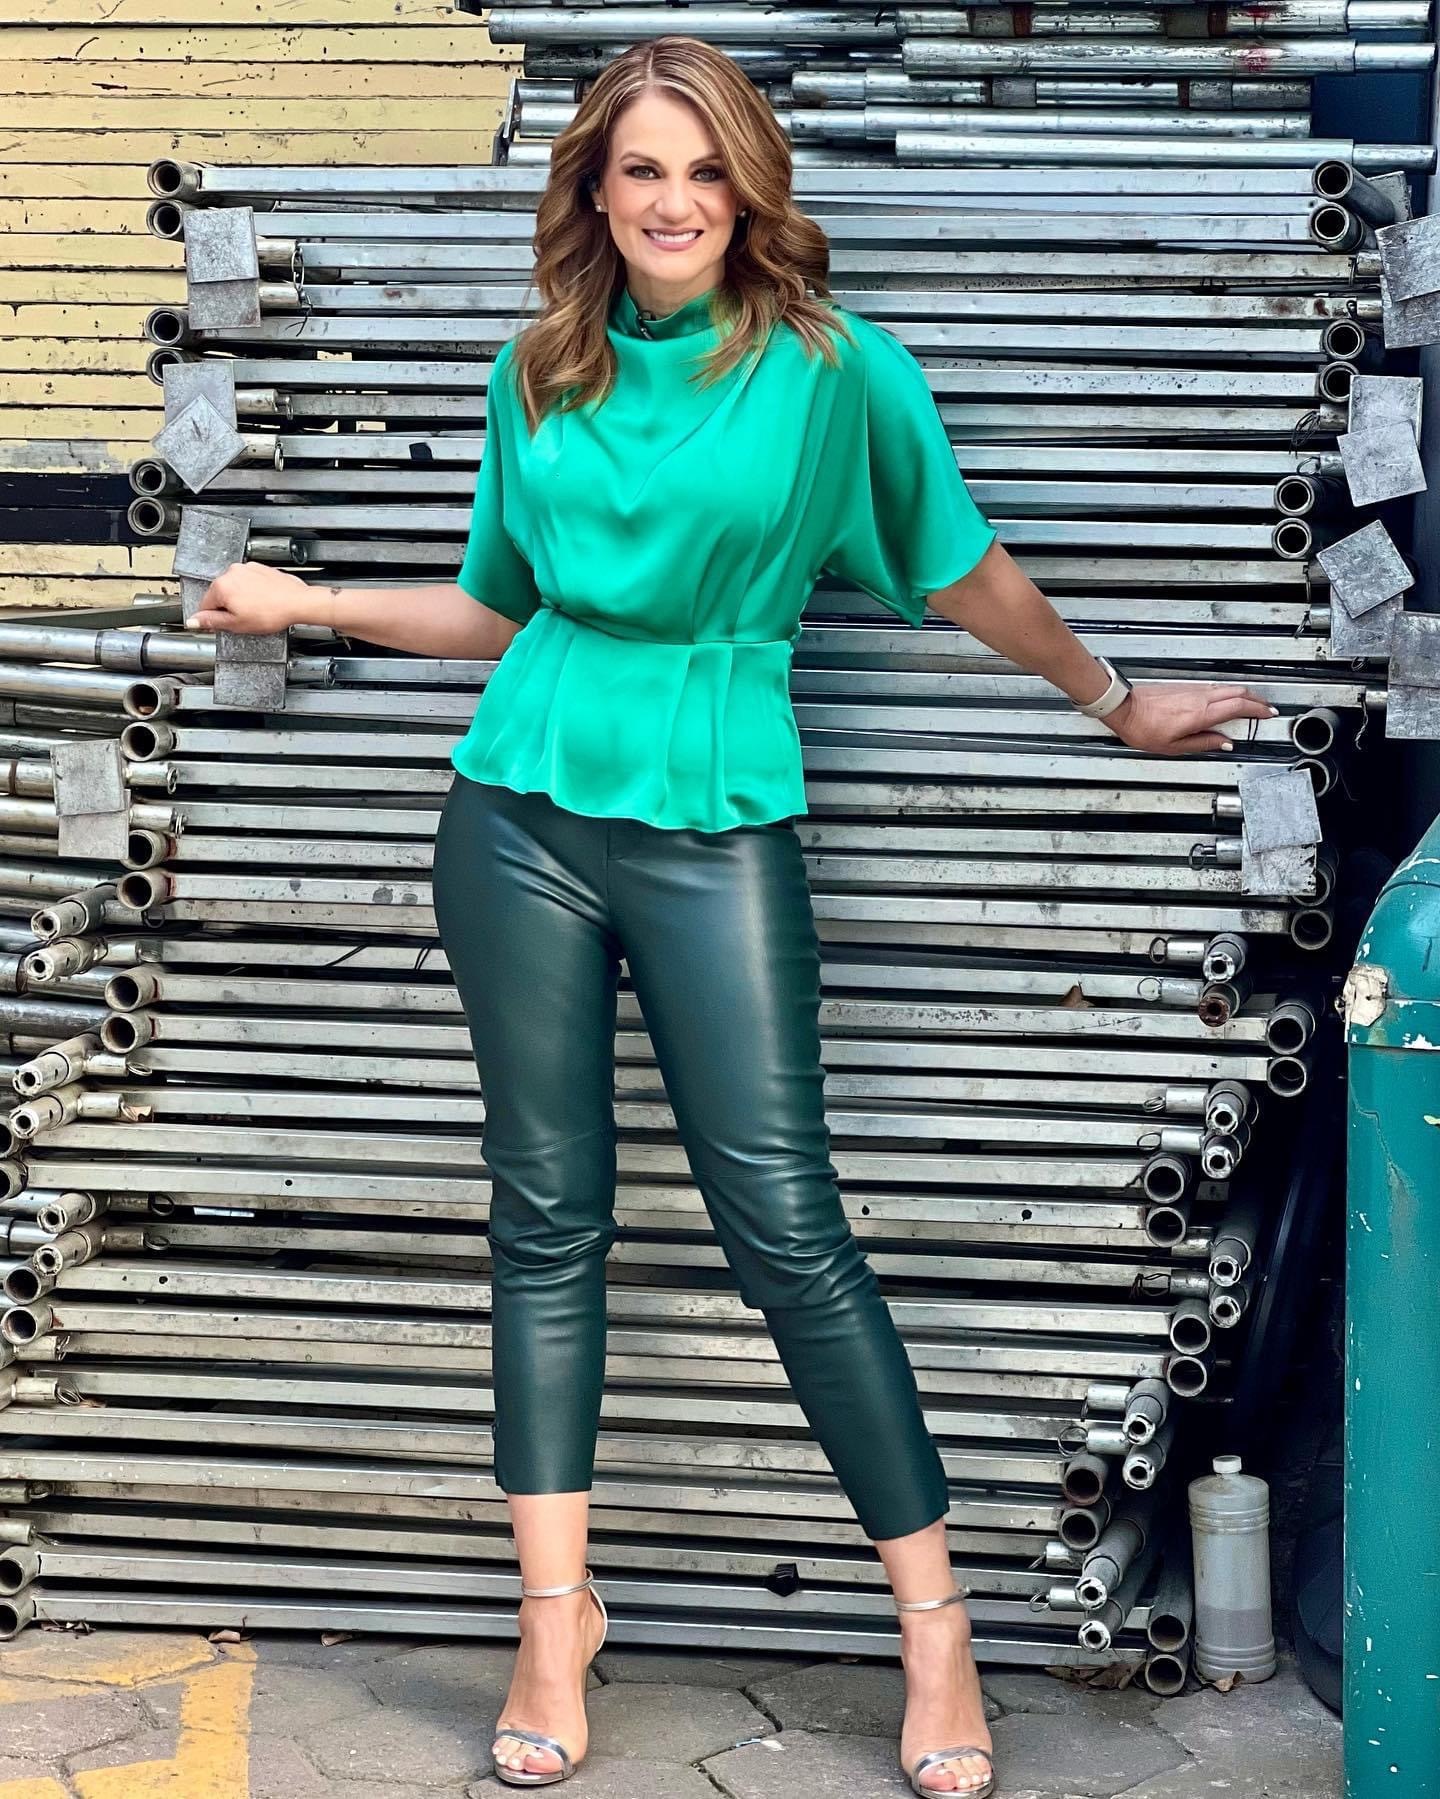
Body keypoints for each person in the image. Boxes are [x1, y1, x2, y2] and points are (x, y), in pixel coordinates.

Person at [191, 34, 1276, 1797]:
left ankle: (936, 1631)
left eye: (705, 170)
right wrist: (305, 599)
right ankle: (556, 1617)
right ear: (596, 192)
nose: (675, 201)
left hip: (715, 824)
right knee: (546, 1219)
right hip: (514, 814)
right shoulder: (538, 369)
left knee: (787, 1226)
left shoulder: (832, 374)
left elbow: (962, 568)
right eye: (642, 169)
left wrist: (1114, 699)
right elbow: (501, 611)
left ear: (749, 191)